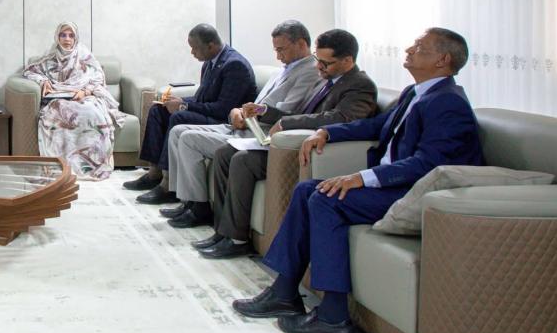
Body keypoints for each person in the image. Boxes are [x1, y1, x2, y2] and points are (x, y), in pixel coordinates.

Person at [232, 28, 483, 333]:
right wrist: (328, 132)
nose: (409, 49)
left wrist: (363, 178)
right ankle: (283, 293)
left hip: (413, 192)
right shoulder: (416, 92)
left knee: (326, 199)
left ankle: (334, 318)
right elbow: (377, 126)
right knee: (307, 190)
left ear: (442, 60)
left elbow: (430, 163)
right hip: (393, 185)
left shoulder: (448, 102)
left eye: (420, 47)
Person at [187, 29, 379, 258]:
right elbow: (304, 112)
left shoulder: (360, 85)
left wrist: (287, 123)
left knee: (243, 160)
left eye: (326, 63)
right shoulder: (326, 79)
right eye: (318, 60)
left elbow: (341, 119)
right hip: (288, 141)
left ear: (347, 60)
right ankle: (223, 231)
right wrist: (264, 111)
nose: (319, 67)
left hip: (307, 150)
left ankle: (237, 239)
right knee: (224, 153)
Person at [142, 20, 322, 208]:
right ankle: (164, 180)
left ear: (301, 44)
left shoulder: (308, 71)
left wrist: (185, 107)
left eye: (281, 50)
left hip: (258, 131)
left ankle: (195, 205)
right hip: (241, 122)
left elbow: (283, 112)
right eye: (276, 50)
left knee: (183, 127)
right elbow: (252, 103)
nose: (278, 56)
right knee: (169, 121)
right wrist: (238, 111)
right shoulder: (284, 69)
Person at [123, 24, 257, 199]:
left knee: (179, 116)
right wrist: (176, 102)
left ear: (210, 46)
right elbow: (202, 98)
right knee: (158, 110)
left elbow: (223, 109)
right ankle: (154, 173)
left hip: (225, 121)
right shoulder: (210, 61)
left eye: (195, 48)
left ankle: (168, 185)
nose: (192, 52)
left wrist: (184, 106)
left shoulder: (235, 65)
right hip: (212, 113)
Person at [23, 22, 127, 180]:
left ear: (76, 38)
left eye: (71, 35)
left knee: (91, 110)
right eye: (63, 35)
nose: (67, 39)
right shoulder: (50, 57)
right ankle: (62, 165)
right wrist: (43, 81)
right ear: (57, 37)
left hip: (84, 95)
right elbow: (30, 71)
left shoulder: (84, 56)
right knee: (58, 111)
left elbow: (98, 76)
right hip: (59, 96)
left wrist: (85, 91)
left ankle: (90, 164)